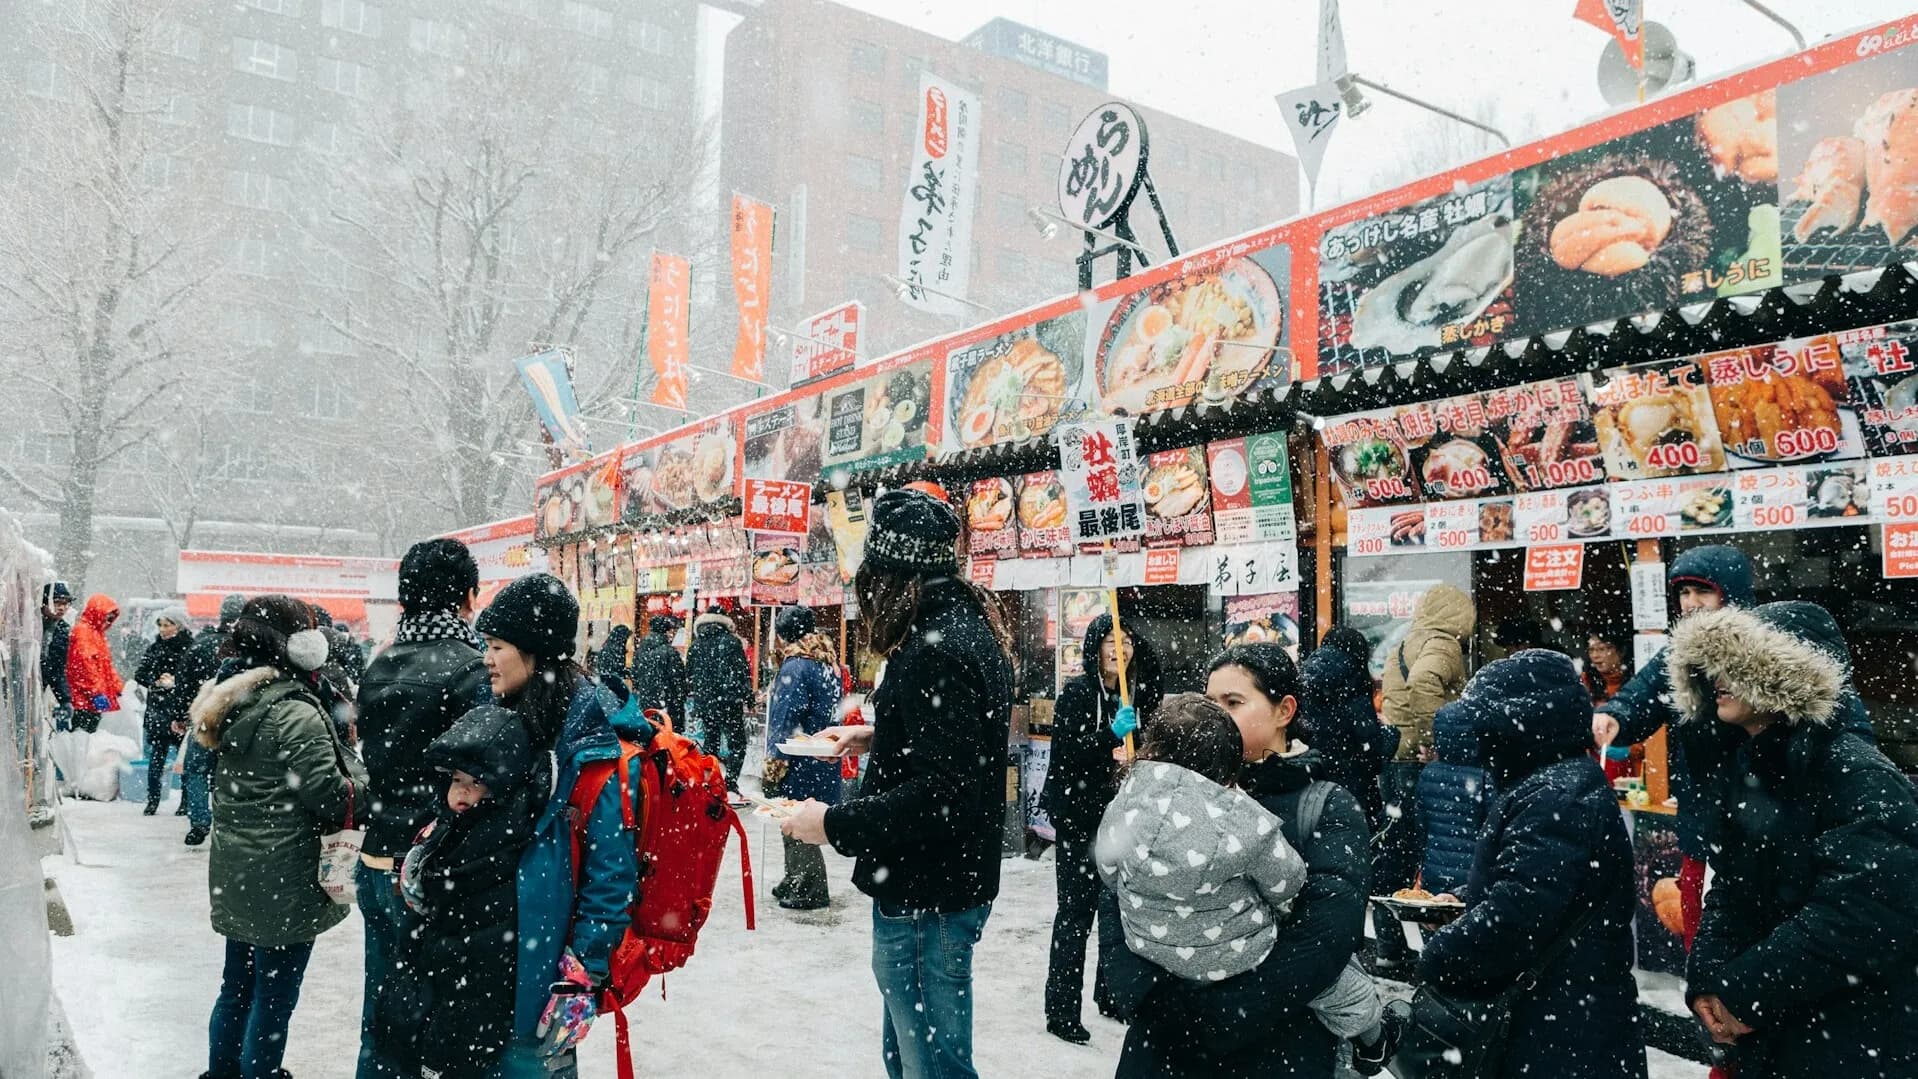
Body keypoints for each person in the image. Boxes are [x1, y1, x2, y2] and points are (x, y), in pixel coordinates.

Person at [780, 489, 1015, 1079]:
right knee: (912, 1058)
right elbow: (956, 751)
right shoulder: (958, 628)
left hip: (926, 894)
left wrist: (830, 825)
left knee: (932, 1066)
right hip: (937, 884)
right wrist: (879, 736)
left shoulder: (938, 648)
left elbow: (944, 795)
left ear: (890, 575)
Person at [1098, 643, 1375, 1079]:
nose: (1216, 716)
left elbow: (1327, 934)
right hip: (1163, 1042)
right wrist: (1146, 996)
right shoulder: (1159, 797)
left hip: (1278, 1045)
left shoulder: (1324, 805)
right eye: (1209, 702)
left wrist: (1229, 1010)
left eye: (1233, 703)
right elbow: (1117, 892)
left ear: (1285, 710)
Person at [1668, 601, 1918, 1078]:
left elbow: (1860, 916)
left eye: (1736, 663)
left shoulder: (1856, 773)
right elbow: (1733, 890)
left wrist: (1743, 994)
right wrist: (1708, 984)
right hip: (1781, 1037)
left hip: (1855, 1040)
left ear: (1783, 676)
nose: (1718, 677)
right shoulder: (1751, 770)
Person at [1418, 649, 1646, 1079]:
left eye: (1486, 726)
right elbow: (1537, 887)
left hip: (1562, 1026)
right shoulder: (1553, 783)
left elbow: (1517, 914)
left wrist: (1442, 956)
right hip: (1568, 1017)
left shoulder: (1554, 795)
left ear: (1515, 726)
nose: (1481, 740)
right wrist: (1465, 902)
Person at [471, 573, 640, 1078]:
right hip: (483, 960)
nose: (486, 658)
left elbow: (611, 879)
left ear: (535, 652)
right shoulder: (498, 715)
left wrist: (580, 975)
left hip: (539, 980)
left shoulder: (590, 747)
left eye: (496, 646)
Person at [193, 594, 366, 1079]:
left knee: (237, 986)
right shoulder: (296, 712)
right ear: (302, 646)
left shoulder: (228, 698)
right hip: (285, 877)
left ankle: (222, 1071)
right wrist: (362, 781)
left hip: (238, 871)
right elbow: (332, 796)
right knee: (274, 996)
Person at [353, 538, 490, 1079]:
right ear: (467, 597)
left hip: (377, 857)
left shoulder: (381, 663)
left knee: (383, 1013)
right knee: (437, 1024)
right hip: (431, 868)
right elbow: (481, 772)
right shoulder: (471, 669)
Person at [373, 704, 540, 1079]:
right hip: (443, 996)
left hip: (465, 1007)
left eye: (475, 782)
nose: (461, 792)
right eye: (456, 780)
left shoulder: (494, 842)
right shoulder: (450, 830)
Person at [1040, 610, 1163, 1043]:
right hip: (1078, 819)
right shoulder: (1076, 694)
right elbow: (1068, 756)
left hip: (1119, 820)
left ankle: (1108, 995)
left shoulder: (1134, 695)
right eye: (1110, 640)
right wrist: (1110, 734)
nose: (1119, 648)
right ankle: (1061, 1012)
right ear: (1094, 648)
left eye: (1126, 641)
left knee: (1116, 913)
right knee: (1075, 915)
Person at [1373, 583, 1473, 968]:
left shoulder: (1407, 640)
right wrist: (1441, 739)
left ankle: (1389, 945)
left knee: (1394, 853)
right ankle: (1443, 948)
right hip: (1419, 763)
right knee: (1437, 853)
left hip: (1397, 759)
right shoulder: (1442, 643)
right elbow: (1424, 682)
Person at [763, 605, 843, 911]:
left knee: (796, 820)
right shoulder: (826, 662)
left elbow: (784, 719)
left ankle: (810, 886)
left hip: (798, 758)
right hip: (820, 756)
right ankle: (794, 877)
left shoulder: (795, 666)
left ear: (783, 635)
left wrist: (774, 760)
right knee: (799, 819)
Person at [1297, 626, 1396, 836]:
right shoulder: (1353, 679)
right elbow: (1373, 755)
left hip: (1310, 792)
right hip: (1351, 791)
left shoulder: (1304, 675)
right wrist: (1389, 732)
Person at [180, 594, 244, 843]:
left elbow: (184, 683)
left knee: (196, 770)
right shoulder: (247, 650)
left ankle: (199, 819)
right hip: (236, 720)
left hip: (204, 717)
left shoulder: (201, 645)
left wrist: (180, 714)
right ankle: (224, 819)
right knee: (227, 771)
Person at [1414, 701, 1486, 897]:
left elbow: (1421, 825)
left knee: (1434, 919)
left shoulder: (1428, 773)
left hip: (1434, 869)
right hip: (1470, 874)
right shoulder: (1484, 776)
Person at [133, 605, 195, 815]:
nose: (163, 629)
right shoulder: (155, 648)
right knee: (157, 757)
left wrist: (178, 683)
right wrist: (155, 681)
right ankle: (153, 800)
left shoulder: (190, 649)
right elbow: (140, 673)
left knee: (184, 757)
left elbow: (194, 679)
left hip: (181, 709)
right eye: (161, 625)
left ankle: (185, 801)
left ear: (179, 626)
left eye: (168, 625)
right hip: (159, 708)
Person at [686, 605, 752, 792]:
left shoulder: (696, 644)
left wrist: (700, 692)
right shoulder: (731, 642)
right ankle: (730, 783)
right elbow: (741, 673)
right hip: (729, 702)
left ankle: (709, 781)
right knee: (737, 743)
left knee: (711, 741)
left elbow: (689, 673)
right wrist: (748, 698)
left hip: (705, 703)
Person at [65, 593, 125, 734]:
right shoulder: (83, 632)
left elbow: (105, 665)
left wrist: (116, 687)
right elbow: (84, 666)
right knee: (82, 737)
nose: (108, 621)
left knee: (88, 738)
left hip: (89, 699)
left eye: (111, 618)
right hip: (83, 699)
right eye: (107, 617)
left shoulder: (96, 634)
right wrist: (96, 692)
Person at [627, 615, 689, 719]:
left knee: (650, 729)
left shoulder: (641, 650)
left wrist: (644, 689)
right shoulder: (670, 652)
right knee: (667, 731)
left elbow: (634, 675)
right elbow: (678, 679)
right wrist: (679, 697)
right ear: (666, 631)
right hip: (667, 702)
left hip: (646, 701)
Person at [40, 581, 73, 727]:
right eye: (58, 602)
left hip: (38, 688)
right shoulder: (33, 624)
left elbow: (57, 669)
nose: (62, 608)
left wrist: (65, 699)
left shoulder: (62, 630)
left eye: (66, 604)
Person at [1584, 630, 1630, 705]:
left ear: (1621, 651)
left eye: (1602, 649)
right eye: (1591, 650)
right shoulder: (1585, 681)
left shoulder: (1636, 680)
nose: (1595, 655)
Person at [592, 623, 633, 700]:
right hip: (611, 689)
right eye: (626, 638)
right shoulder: (614, 650)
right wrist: (629, 672)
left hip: (608, 688)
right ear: (621, 638)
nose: (626, 641)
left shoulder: (611, 647)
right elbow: (615, 671)